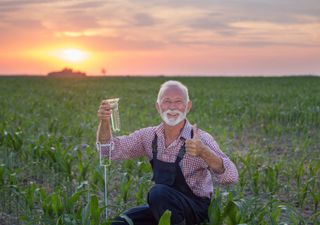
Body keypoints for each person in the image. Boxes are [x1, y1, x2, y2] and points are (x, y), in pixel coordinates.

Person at [96, 80, 238, 225]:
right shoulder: (148, 137)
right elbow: (108, 151)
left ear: (188, 107)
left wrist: (204, 152)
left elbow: (231, 177)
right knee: (122, 222)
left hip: (195, 209)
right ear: (158, 107)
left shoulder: (200, 140)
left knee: (158, 193)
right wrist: (105, 122)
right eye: (166, 101)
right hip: (163, 206)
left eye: (178, 101)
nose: (172, 107)